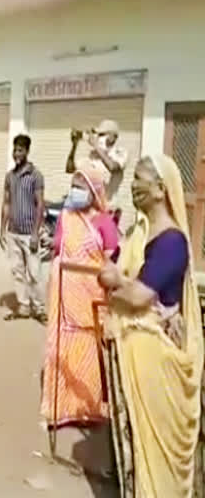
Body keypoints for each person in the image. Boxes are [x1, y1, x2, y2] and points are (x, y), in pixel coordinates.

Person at [97, 154, 204, 497]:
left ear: (160, 189)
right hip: (136, 349)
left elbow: (140, 296)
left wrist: (115, 280)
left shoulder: (171, 241)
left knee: (154, 449)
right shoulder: (138, 232)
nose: (133, 186)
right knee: (135, 443)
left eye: (140, 179)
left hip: (156, 357)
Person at [39, 167, 119, 429]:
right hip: (63, 295)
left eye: (80, 186)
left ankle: (89, 408)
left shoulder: (105, 222)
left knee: (90, 350)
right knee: (62, 348)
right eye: (73, 185)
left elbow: (110, 262)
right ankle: (60, 408)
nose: (75, 192)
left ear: (94, 191)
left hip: (91, 298)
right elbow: (59, 248)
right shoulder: (66, 216)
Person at [0, 134, 46, 323]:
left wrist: (36, 232)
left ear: (27, 151)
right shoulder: (10, 176)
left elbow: (40, 204)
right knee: (17, 271)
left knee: (34, 273)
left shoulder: (35, 176)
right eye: (15, 150)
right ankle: (24, 306)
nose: (16, 154)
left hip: (29, 234)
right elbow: (6, 203)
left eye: (20, 150)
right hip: (13, 232)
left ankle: (40, 308)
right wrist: (2, 230)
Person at [66, 119, 128, 218]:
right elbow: (70, 169)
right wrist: (74, 145)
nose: (98, 138)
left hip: (108, 209)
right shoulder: (94, 154)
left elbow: (112, 167)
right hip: (90, 209)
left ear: (113, 137)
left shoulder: (120, 152)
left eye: (102, 134)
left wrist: (95, 145)